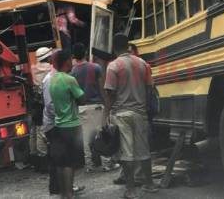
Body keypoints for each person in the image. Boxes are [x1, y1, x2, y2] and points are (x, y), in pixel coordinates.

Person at [103, 34, 158, 199]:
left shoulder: (113, 66)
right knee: (144, 150)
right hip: (140, 113)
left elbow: (110, 93)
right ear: (127, 46)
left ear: (114, 48)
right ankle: (149, 184)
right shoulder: (143, 64)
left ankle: (131, 190)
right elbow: (150, 88)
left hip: (121, 113)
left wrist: (106, 112)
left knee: (127, 153)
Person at [71, 43, 120, 172]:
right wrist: (107, 104)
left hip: (82, 108)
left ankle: (90, 165)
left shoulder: (72, 72)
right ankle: (106, 163)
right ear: (86, 53)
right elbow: (102, 88)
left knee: (87, 138)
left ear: (74, 56)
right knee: (103, 134)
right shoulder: (96, 67)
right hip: (97, 106)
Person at [42, 50, 85, 195]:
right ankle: (68, 193)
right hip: (69, 125)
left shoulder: (52, 79)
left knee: (60, 162)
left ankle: (64, 192)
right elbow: (81, 99)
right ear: (66, 62)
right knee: (69, 162)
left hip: (59, 124)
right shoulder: (68, 79)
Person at [29, 47, 53, 159]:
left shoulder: (32, 68)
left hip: (36, 103)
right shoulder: (51, 68)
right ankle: (44, 157)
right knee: (44, 130)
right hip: (48, 101)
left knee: (36, 129)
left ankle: (36, 156)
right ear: (48, 57)